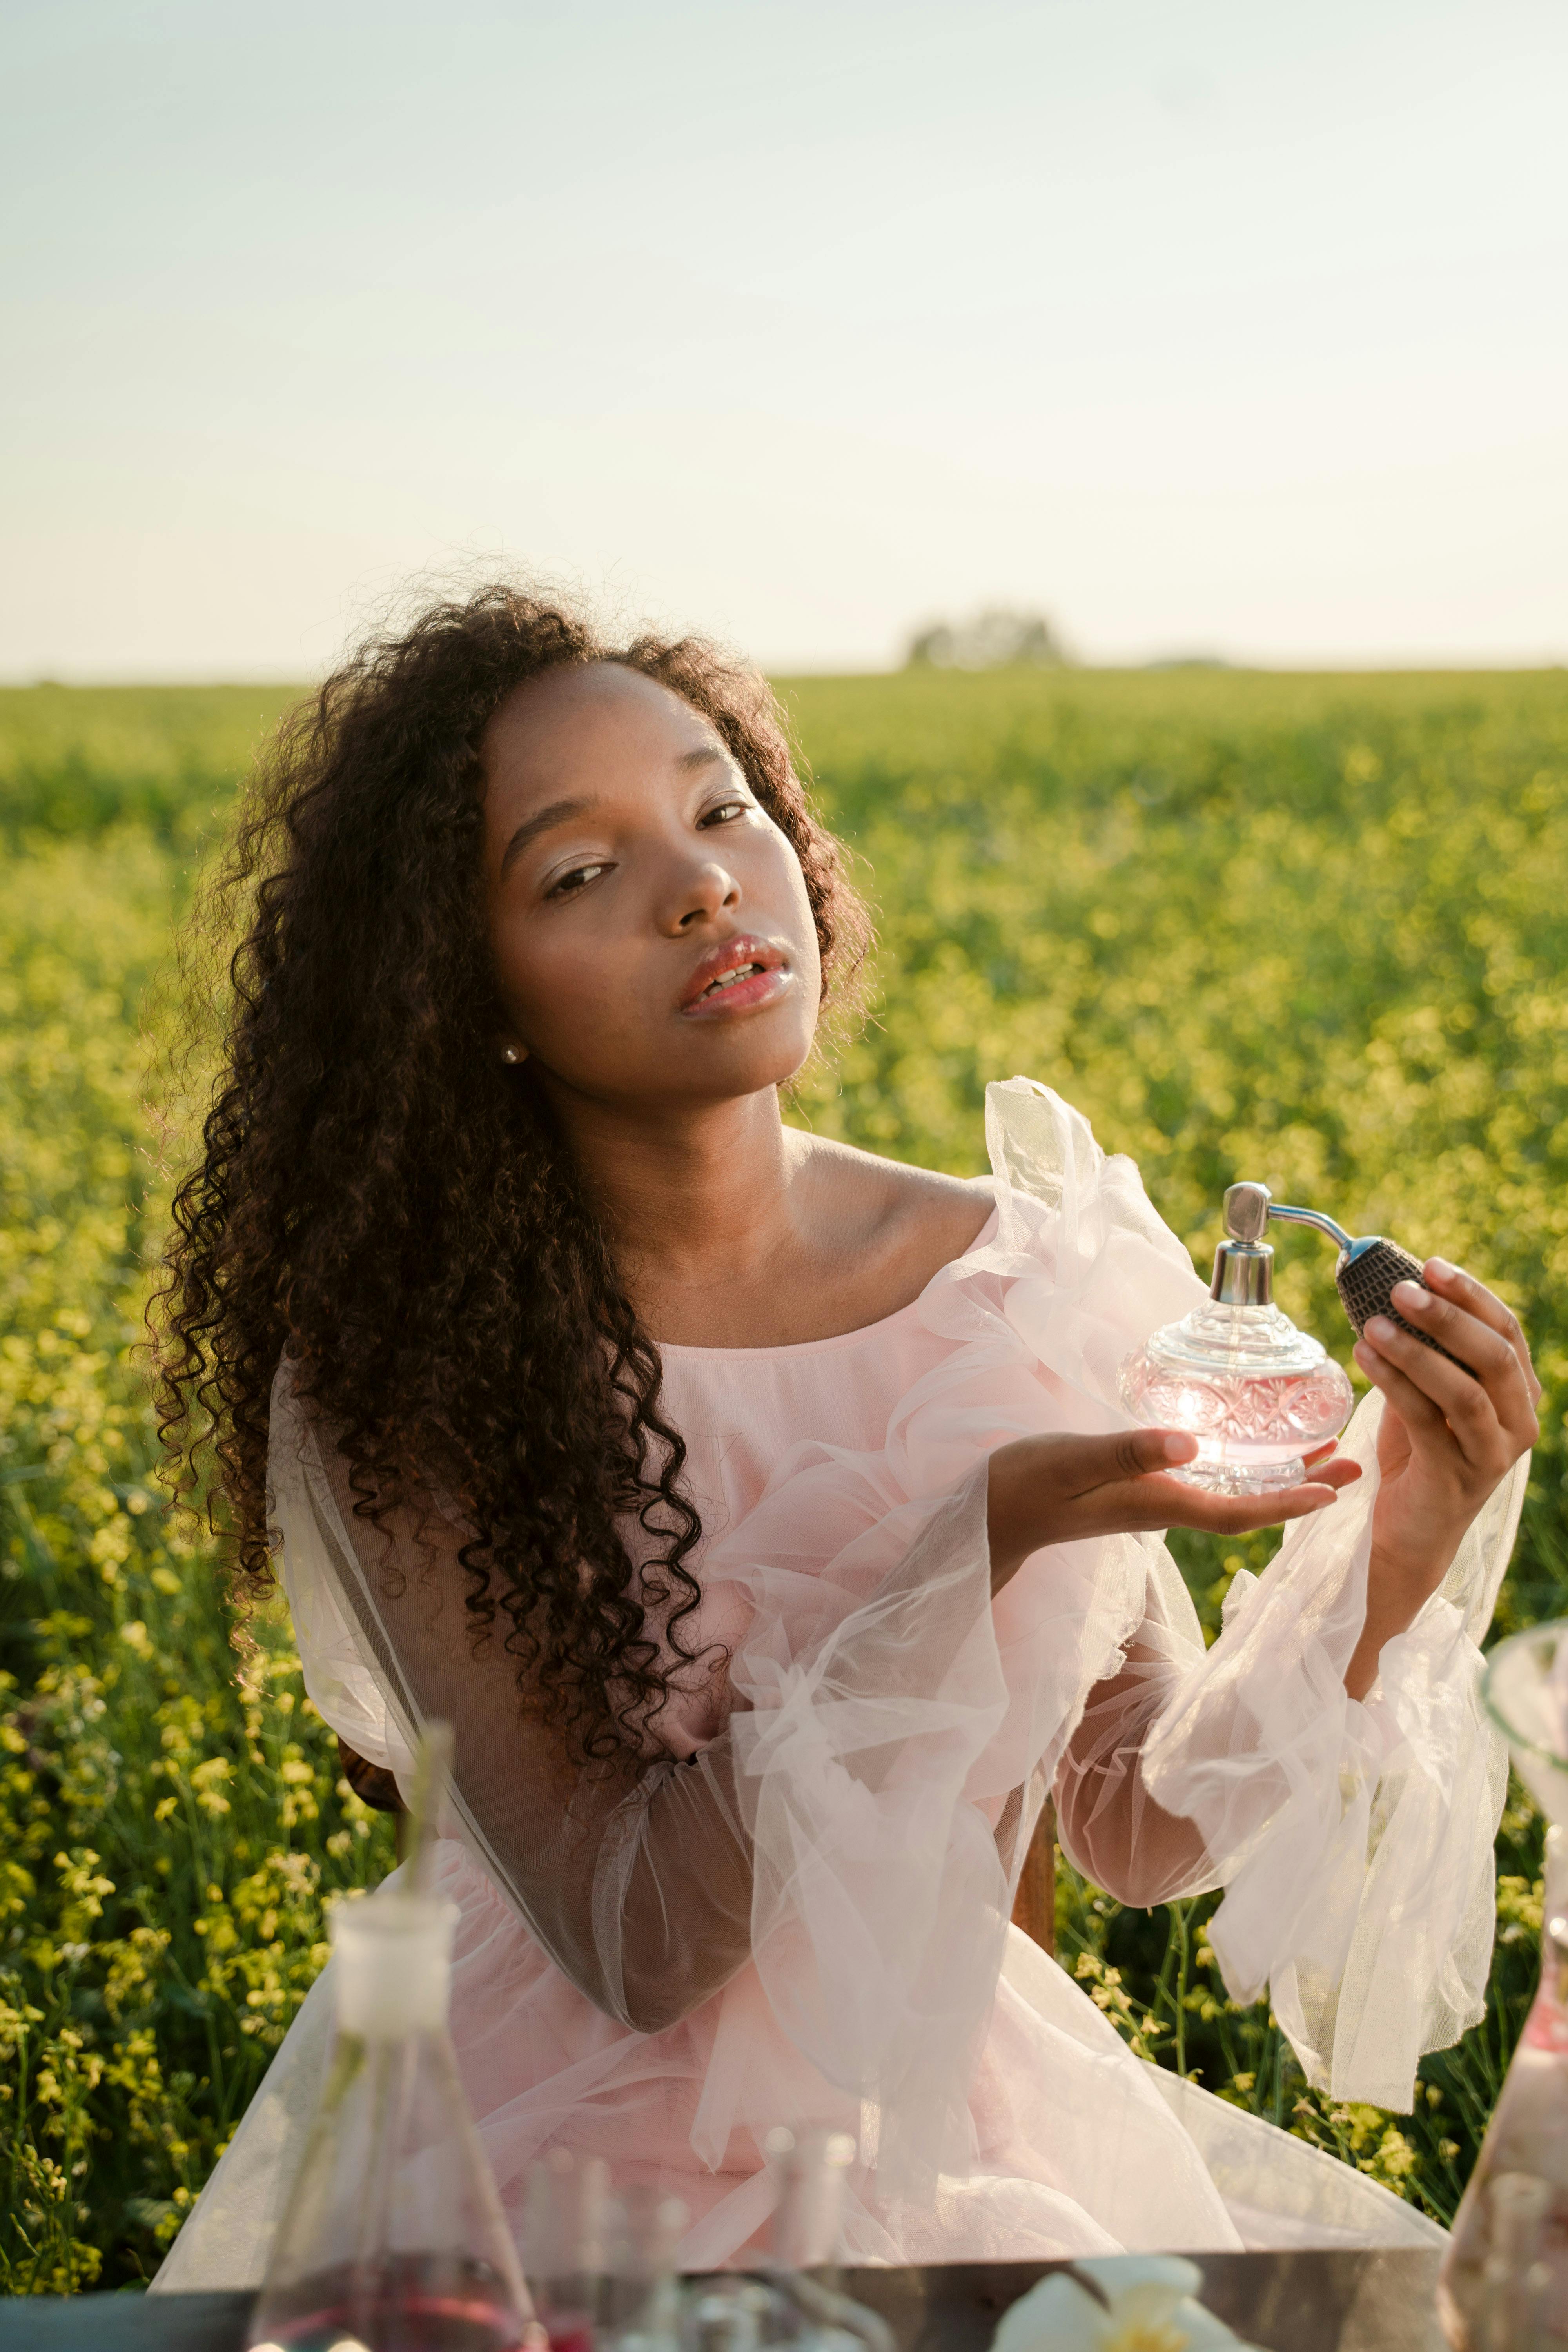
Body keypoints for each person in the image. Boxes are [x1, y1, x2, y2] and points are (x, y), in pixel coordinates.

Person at [151, 587, 1538, 2288]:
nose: (704, 884)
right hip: (548, 2197)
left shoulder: (1022, 1283)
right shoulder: (410, 1374)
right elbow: (638, 1946)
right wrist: (959, 1549)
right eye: (580, 872)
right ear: (467, 995)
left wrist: (1389, 1551)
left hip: (946, 2149)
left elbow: (1132, 1825)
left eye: (721, 805)